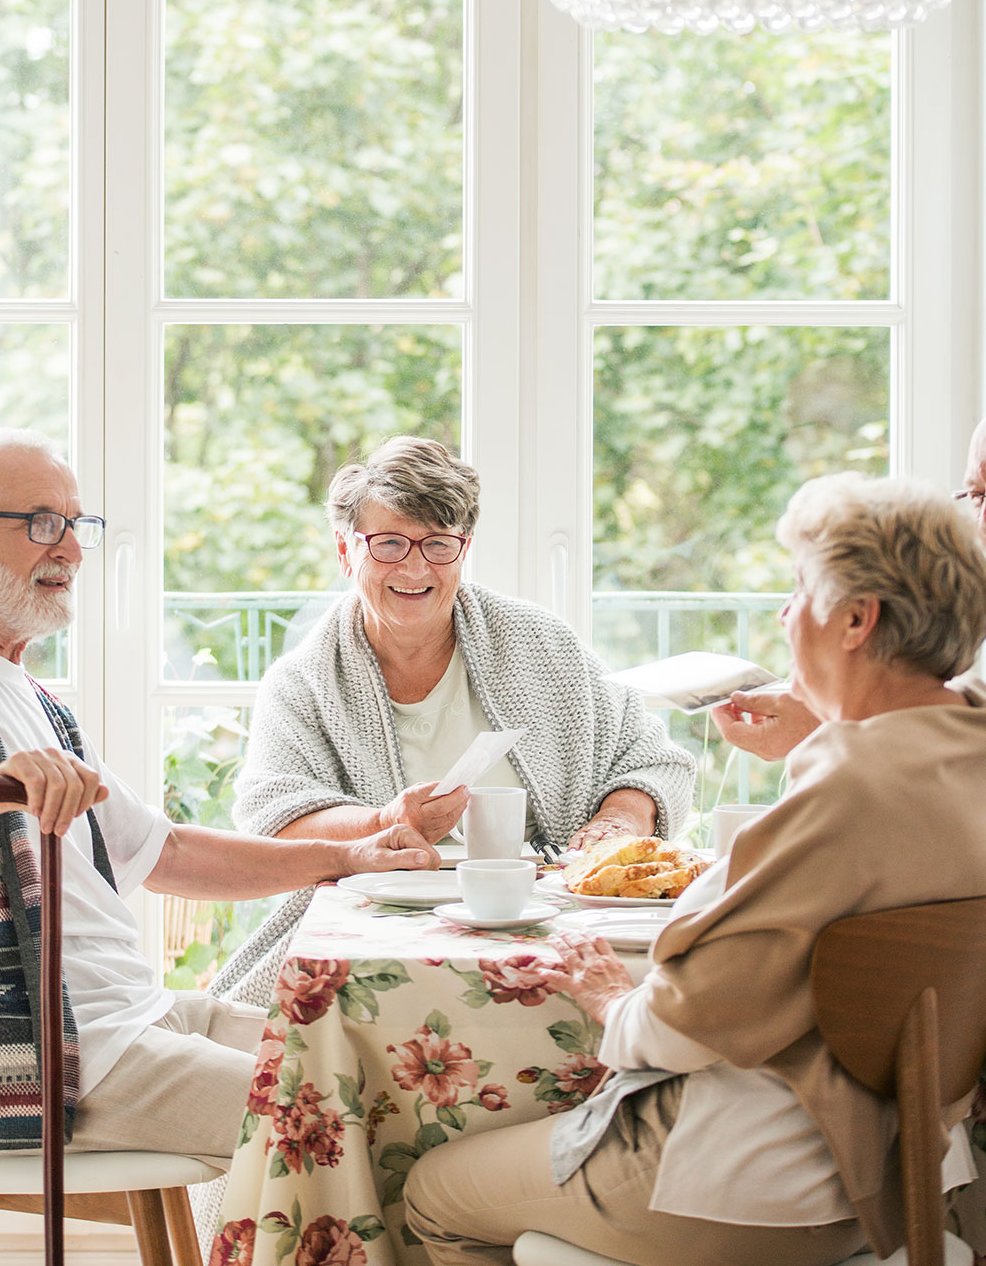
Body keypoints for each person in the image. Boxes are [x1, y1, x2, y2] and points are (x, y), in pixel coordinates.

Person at [0, 429, 437, 1164]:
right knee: (349, 1124)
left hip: (135, 1016)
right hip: (52, 1056)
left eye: (75, 525)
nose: (66, 548)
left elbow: (168, 851)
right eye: (38, 523)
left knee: (391, 1079)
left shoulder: (31, 696)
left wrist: (351, 854)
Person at [404, 472, 986, 1266]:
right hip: (913, 1175)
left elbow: (677, 1031)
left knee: (431, 1190)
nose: (784, 620)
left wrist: (611, 999)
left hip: (746, 1184)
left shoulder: (843, 788)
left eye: (796, 593)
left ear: (857, 619)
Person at [211, 435, 696, 1005]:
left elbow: (653, 760)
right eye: (389, 543)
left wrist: (619, 823)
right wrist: (382, 822)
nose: (415, 567)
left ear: (463, 550)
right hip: (379, 938)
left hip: (550, 928)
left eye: (439, 545)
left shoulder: (542, 645)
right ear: (346, 552)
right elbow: (272, 819)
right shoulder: (304, 682)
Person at [713, 421, 986, 762]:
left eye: (802, 589)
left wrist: (835, 737)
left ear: (857, 618)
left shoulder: (845, 786)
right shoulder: (969, 712)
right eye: (978, 495)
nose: (983, 523)